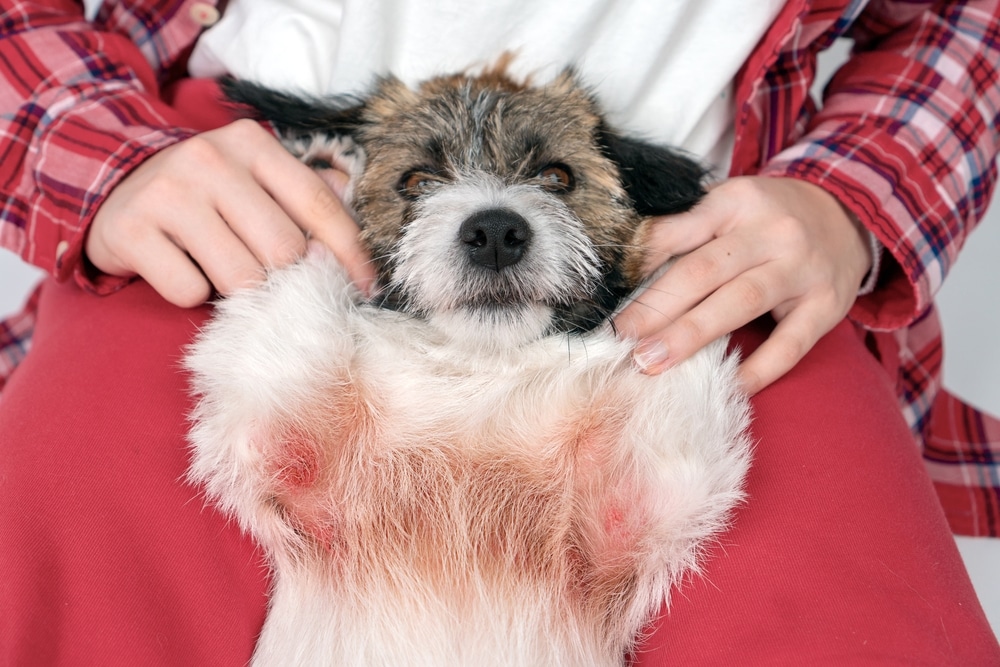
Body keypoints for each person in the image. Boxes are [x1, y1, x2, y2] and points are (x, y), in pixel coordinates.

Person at [1, 0, 998, 664]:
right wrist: (103, 152)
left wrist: (851, 196)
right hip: (246, 174)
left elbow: (963, 19)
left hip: (705, 228)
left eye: (542, 180)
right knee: (55, 560)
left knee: (870, 627)